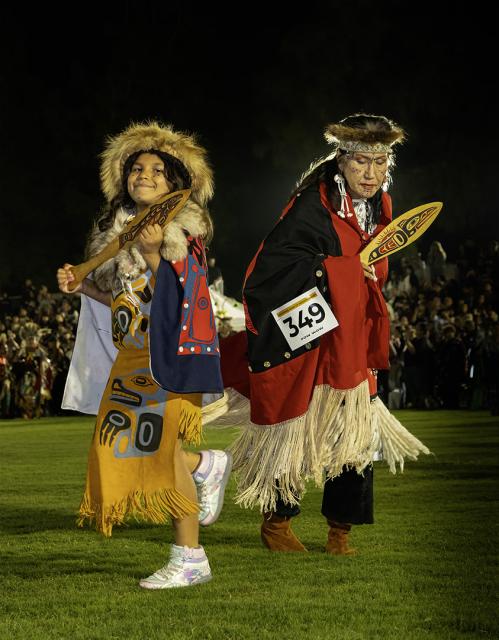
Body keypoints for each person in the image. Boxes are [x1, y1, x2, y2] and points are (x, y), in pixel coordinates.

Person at [219, 114, 430, 554]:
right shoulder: (312, 207)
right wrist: (345, 270)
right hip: (313, 337)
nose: (370, 173)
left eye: (379, 162)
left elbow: (377, 271)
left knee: (355, 434)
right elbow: (270, 271)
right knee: (293, 426)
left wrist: (361, 276)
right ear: (341, 161)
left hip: (353, 338)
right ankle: (277, 523)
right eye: (360, 162)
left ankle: (340, 531)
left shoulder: (381, 207)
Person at [57, 122, 231, 589]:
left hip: (168, 360)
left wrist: (154, 254)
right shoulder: (113, 234)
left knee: (163, 455)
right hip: (131, 361)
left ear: (174, 183)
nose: (145, 175)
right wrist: (83, 286)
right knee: (114, 444)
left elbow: (186, 296)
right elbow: (120, 299)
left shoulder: (185, 232)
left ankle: (190, 558)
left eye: (157, 170)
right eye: (137, 168)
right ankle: (204, 466)